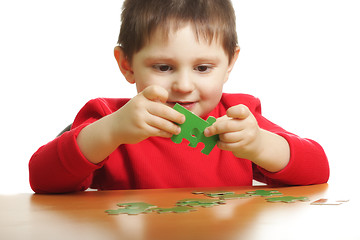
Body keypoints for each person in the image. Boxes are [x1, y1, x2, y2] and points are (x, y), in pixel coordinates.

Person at [29, 0, 329, 193]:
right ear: (127, 65)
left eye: (202, 67)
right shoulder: (108, 118)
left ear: (229, 65)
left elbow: (318, 170)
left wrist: (260, 144)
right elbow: (42, 179)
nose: (184, 85)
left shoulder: (237, 117)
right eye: (163, 67)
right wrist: (111, 131)